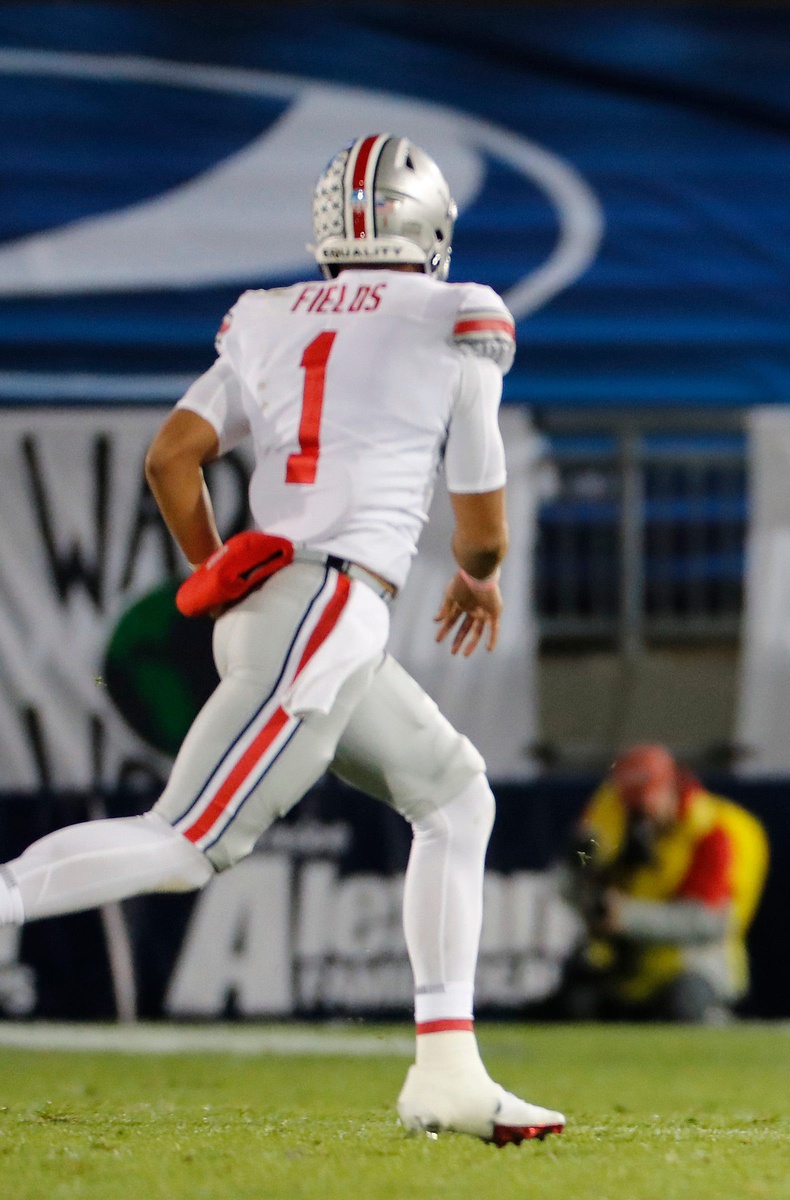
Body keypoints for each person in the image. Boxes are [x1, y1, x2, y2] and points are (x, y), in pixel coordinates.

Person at [0, 136, 562, 1144]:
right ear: (427, 225)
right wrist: (480, 572)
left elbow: (172, 458)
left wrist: (218, 572)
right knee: (188, 842)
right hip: (330, 605)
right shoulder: (456, 310)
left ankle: (449, 1071)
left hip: (283, 602)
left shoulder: (263, 315)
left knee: (453, 796)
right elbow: (476, 490)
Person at [550, 745, 768, 1023]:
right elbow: (576, 873)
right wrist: (580, 863)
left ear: (672, 788)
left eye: (645, 800)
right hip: (622, 964)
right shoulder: (612, 812)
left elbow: (708, 921)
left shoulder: (712, 833)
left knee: (684, 1007)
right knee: (574, 1005)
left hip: (688, 964)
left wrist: (626, 916)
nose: (639, 814)